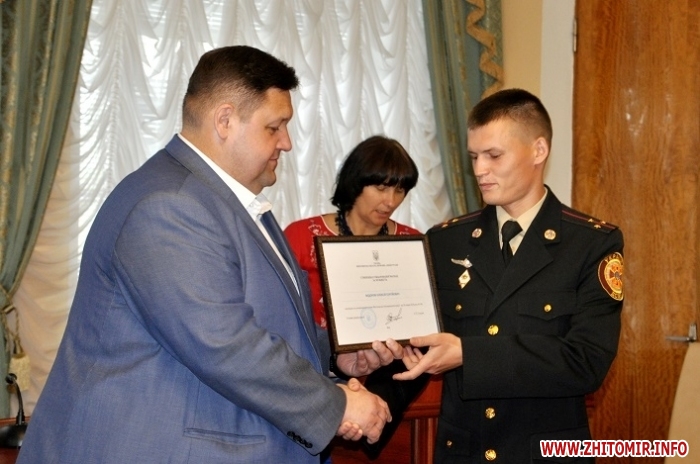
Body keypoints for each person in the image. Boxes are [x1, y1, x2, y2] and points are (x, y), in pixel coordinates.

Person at [18, 45, 400, 464]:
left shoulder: (222, 199)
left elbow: (262, 321)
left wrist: (337, 353)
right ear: (225, 120)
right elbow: (224, 345)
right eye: (274, 127)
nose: (287, 143)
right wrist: (337, 405)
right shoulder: (169, 205)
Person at [392, 88, 624, 463]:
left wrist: (469, 354)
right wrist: (370, 397)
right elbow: (418, 347)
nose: (479, 170)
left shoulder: (590, 243)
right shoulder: (446, 241)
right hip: (464, 452)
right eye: (474, 157)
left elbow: (586, 361)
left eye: (494, 155)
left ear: (538, 150)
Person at [284, 135, 426, 460]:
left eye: (400, 190)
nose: (390, 200)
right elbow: (283, 323)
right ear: (355, 182)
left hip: (385, 376)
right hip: (313, 375)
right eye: (381, 187)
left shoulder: (411, 243)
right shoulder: (301, 236)